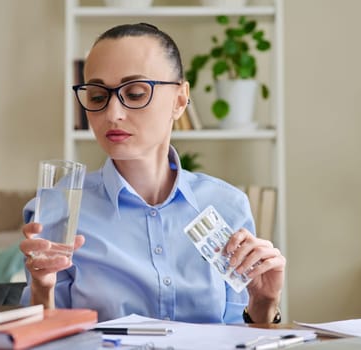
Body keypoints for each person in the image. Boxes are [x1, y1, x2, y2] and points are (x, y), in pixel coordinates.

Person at [19, 23, 285, 324]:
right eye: (96, 97)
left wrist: (264, 304)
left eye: (134, 93)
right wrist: (42, 287)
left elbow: (244, 338)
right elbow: (44, 338)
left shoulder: (228, 205)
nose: (113, 114)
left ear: (180, 100)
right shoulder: (60, 207)